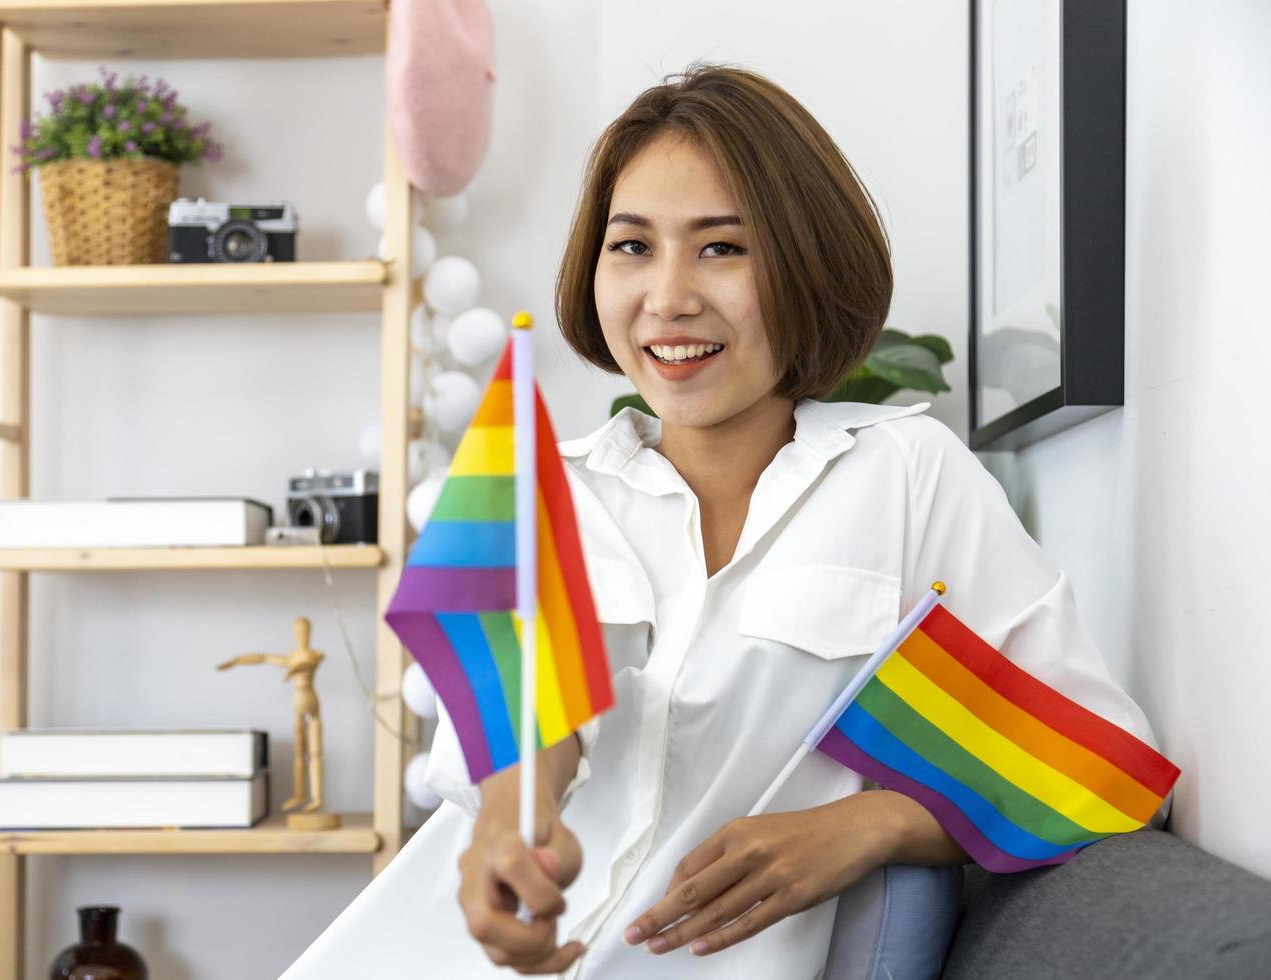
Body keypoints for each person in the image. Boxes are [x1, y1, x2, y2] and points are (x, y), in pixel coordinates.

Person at [280, 63, 1169, 979]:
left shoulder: (908, 475)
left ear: (806, 262)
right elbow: (526, 732)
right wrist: (510, 833)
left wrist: (869, 825)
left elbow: (1110, 760)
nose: (667, 298)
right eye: (631, 247)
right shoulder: (540, 491)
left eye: (722, 248)